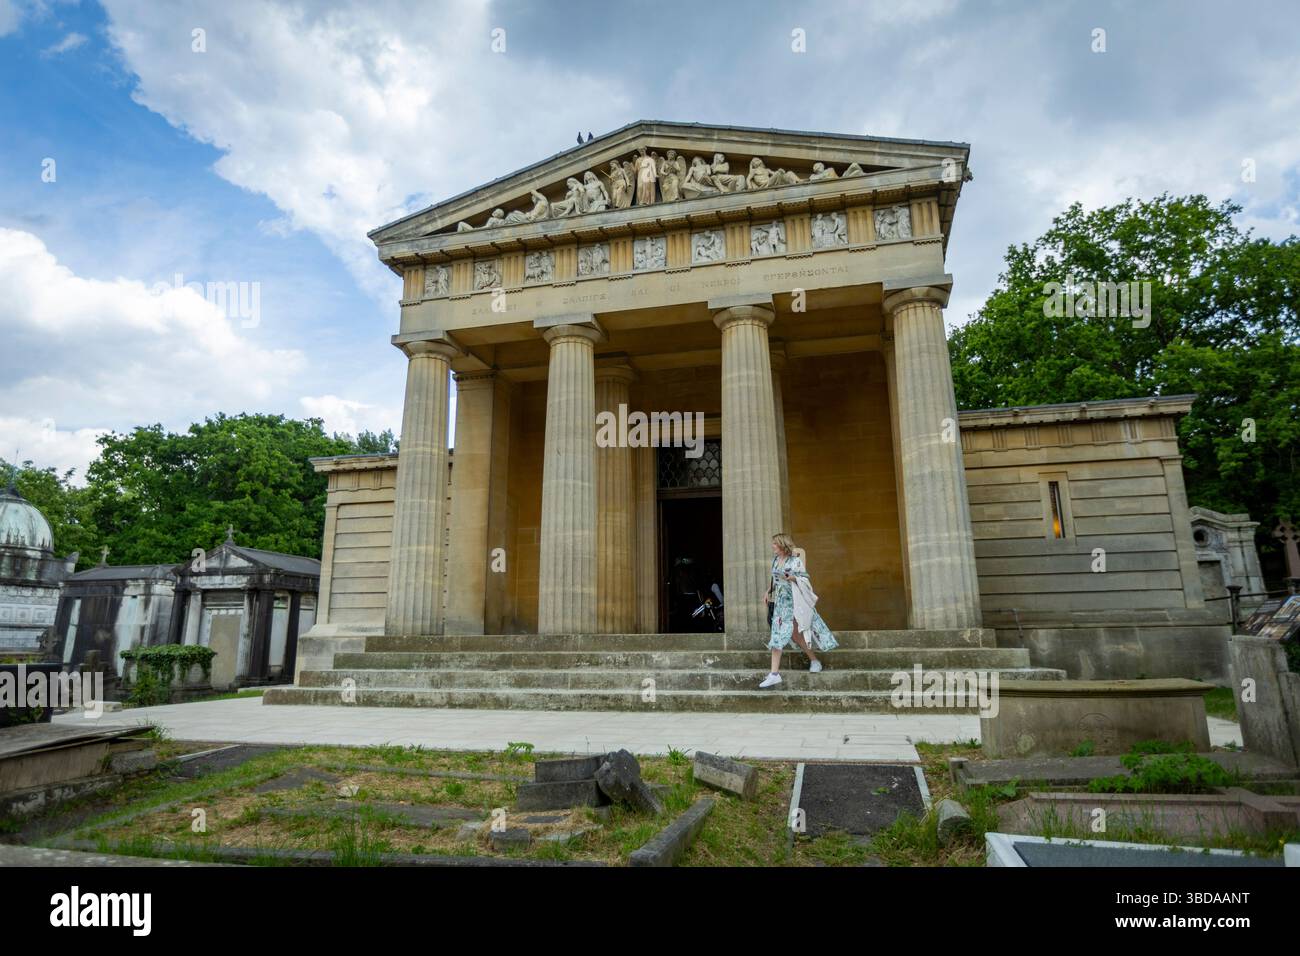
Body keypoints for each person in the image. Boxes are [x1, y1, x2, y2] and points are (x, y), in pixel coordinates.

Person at [760, 533, 837, 688]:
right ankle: (774, 674)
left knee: (798, 633)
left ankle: (814, 661)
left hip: (796, 602)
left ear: (782, 545)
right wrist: (769, 591)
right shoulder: (775, 561)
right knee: (780, 635)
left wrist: (793, 578)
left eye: (775, 543)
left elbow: (805, 579)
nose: (773, 546)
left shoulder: (795, 561)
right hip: (782, 605)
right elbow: (776, 580)